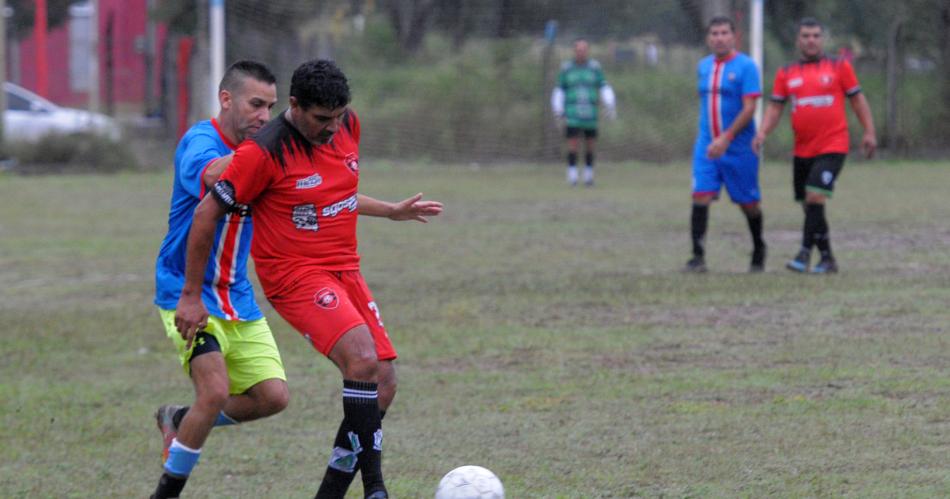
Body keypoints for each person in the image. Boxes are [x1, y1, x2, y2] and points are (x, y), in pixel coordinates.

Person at [175, 59, 443, 499]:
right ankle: (376, 489)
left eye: (338, 117)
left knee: (384, 383)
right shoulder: (262, 152)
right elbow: (206, 212)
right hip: (293, 275)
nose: (333, 128)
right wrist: (190, 294)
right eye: (322, 119)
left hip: (345, 269)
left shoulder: (346, 124)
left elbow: (331, 193)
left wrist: (391, 210)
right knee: (361, 359)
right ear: (295, 106)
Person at [151, 60, 287, 499]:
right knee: (214, 391)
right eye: (255, 105)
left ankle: (179, 419)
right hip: (185, 292)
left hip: (237, 296)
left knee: (273, 397)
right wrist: (266, 146)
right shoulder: (201, 142)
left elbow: (314, 189)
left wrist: (389, 209)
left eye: (271, 108)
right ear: (226, 99)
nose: (264, 117)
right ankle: (166, 492)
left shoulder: (259, 149)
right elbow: (214, 177)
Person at [753, 18, 876, 274]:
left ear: (823, 39)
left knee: (815, 195)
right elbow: (776, 107)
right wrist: (762, 132)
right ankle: (828, 258)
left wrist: (869, 131)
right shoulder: (786, 73)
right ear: (798, 40)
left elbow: (858, 101)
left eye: (816, 36)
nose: (811, 40)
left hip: (833, 144)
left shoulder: (839, 66)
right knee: (810, 206)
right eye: (806, 36)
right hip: (802, 149)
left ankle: (804, 252)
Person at [685, 16, 766, 273]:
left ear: (734, 36)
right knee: (701, 195)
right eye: (714, 33)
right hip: (707, 146)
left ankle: (758, 248)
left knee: (748, 204)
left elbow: (750, 108)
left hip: (739, 148)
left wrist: (727, 137)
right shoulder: (703, 66)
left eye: (724, 33)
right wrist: (711, 138)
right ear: (709, 38)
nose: (719, 38)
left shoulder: (746, 67)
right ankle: (697, 257)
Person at [551, 38, 616, 187]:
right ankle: (572, 176)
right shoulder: (567, 69)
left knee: (590, 145)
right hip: (572, 114)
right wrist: (558, 109)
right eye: (578, 50)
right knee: (572, 145)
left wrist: (610, 104)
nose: (581, 52)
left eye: (584, 50)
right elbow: (559, 89)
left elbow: (604, 86)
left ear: (587, 51)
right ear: (575, 51)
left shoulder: (594, 68)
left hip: (590, 115)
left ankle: (588, 177)